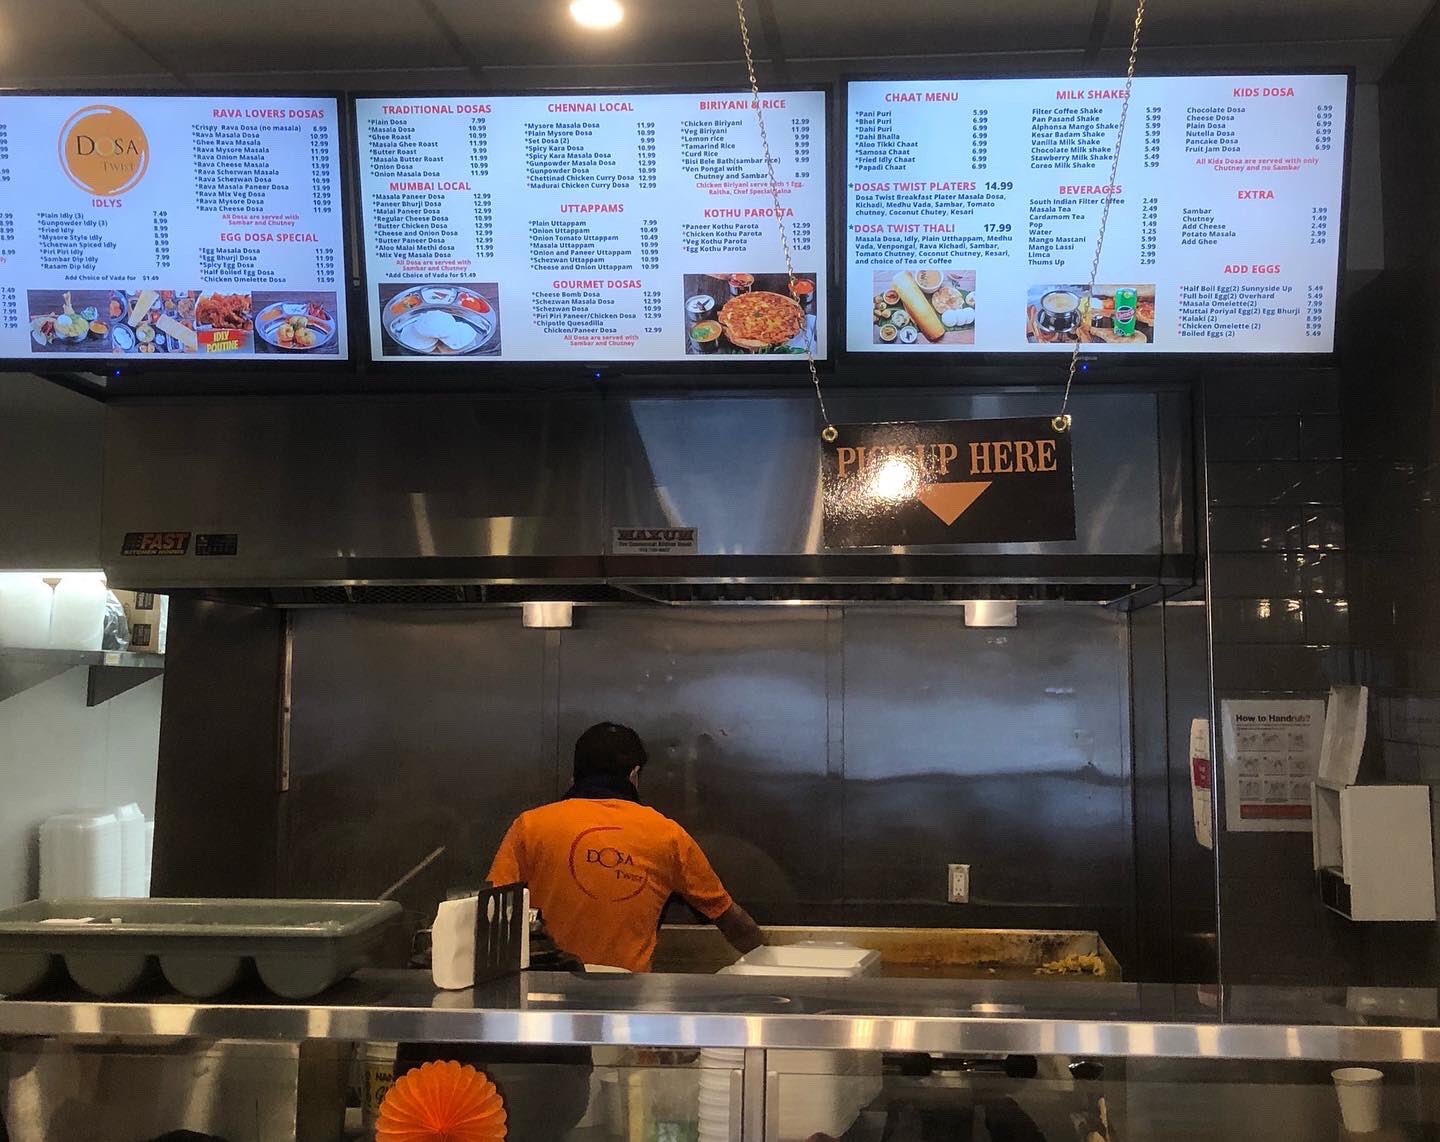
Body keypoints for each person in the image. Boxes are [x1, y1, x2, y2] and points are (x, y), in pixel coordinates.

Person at [487, 721, 763, 972]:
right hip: (627, 999)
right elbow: (732, 921)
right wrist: (768, 957)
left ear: (574, 776)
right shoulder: (667, 835)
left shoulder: (531, 826)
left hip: (542, 992)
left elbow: (491, 913)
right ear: (634, 775)